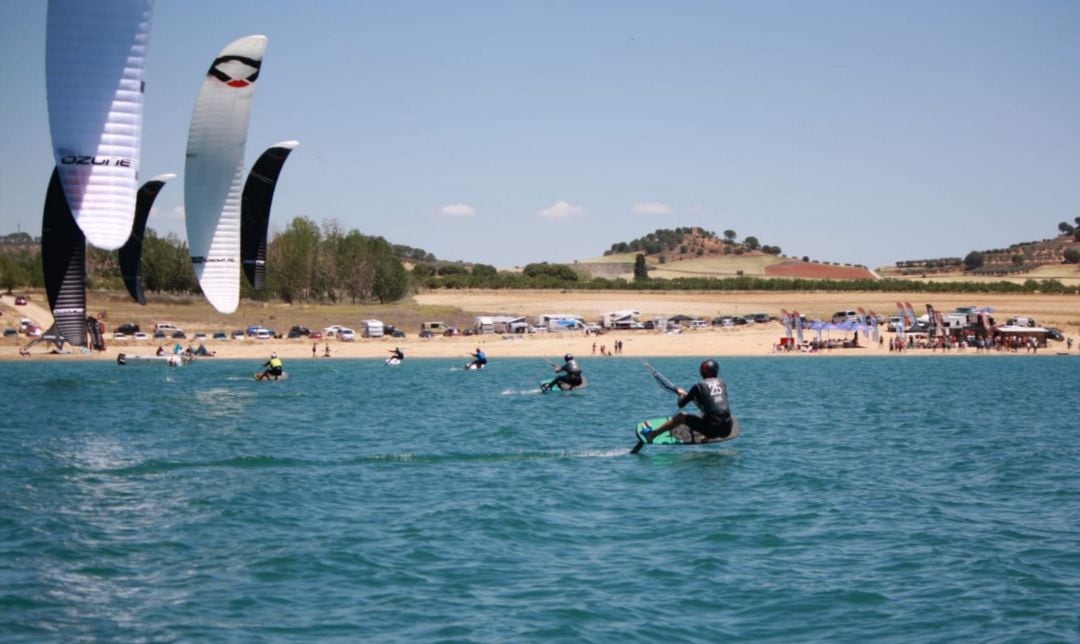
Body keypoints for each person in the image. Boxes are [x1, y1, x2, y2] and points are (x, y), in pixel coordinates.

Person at [642, 359, 733, 443]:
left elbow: (681, 404)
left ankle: (652, 435)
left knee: (681, 416)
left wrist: (681, 394)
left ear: (701, 372)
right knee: (713, 412)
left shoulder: (698, 386)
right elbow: (711, 400)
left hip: (713, 429)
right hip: (727, 429)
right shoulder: (722, 383)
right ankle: (707, 436)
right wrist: (693, 397)